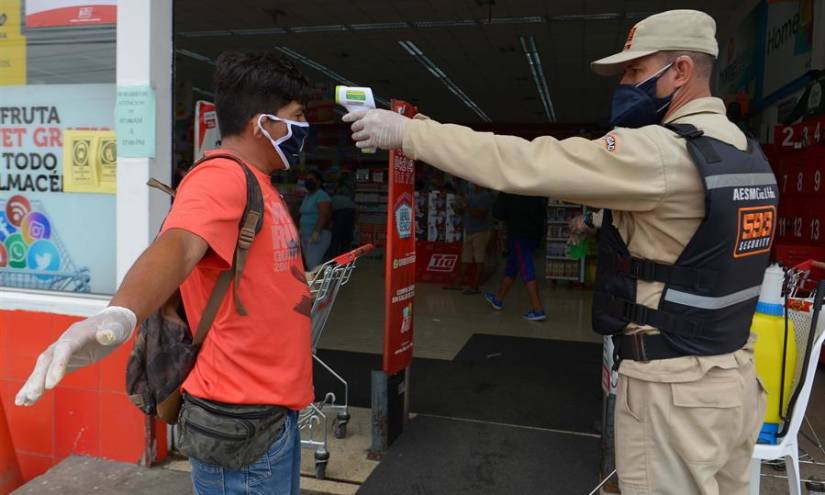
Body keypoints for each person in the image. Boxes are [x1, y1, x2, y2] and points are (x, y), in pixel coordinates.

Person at [344, 10, 775, 494]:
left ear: (681, 70)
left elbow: (526, 163)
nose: (626, 85)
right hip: (734, 376)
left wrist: (410, 135)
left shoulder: (660, 151)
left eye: (636, 71)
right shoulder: (742, 149)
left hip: (676, 389)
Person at [15, 49, 315, 495]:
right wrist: (121, 313)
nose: (305, 128)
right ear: (262, 124)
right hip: (240, 426)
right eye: (297, 116)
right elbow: (177, 245)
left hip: (270, 417)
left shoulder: (260, 183)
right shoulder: (222, 178)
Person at [483, 192, 548, 321]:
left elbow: (497, 213)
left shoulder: (508, 190)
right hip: (534, 235)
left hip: (518, 234)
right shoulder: (534, 189)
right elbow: (543, 214)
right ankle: (498, 300)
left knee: (526, 268)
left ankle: (538, 309)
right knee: (513, 265)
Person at [444, 182, 494, 294]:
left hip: (480, 232)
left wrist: (466, 206)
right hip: (469, 231)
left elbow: (481, 214)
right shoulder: (471, 194)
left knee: (479, 261)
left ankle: (475, 286)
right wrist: (459, 207)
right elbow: (465, 212)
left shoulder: (485, 196)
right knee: (465, 259)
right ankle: (457, 284)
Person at [299, 169, 332, 270]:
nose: (308, 182)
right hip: (305, 235)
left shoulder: (322, 195)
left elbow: (324, 215)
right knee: (311, 263)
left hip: (318, 235)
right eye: (307, 179)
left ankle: (318, 284)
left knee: (312, 262)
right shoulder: (308, 196)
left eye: (311, 179)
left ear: (318, 182)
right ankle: (319, 283)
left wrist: (316, 232)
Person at [326, 176, 357, 259]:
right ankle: (345, 259)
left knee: (335, 239)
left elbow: (328, 213)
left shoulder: (332, 199)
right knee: (346, 239)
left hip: (340, 214)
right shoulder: (346, 198)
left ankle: (333, 259)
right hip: (350, 214)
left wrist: (328, 224)